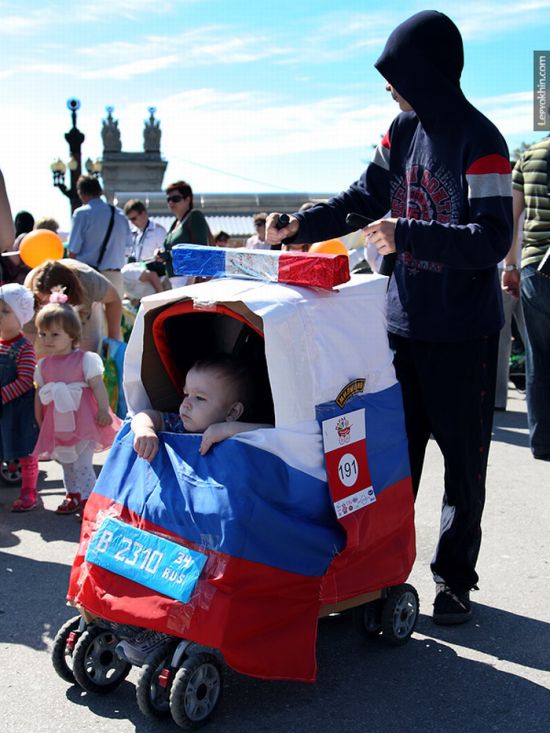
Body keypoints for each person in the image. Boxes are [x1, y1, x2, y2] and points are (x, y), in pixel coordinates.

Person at [266, 10, 513, 625]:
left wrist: (409, 235)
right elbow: (363, 197)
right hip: (399, 330)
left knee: (463, 464)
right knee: (389, 462)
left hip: (464, 337)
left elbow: (491, 238)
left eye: (396, 72)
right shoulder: (400, 131)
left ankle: (454, 580)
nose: (388, 85)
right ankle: (379, 572)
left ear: (427, 72)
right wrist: (304, 223)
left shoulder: (483, 141)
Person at [32, 294, 122, 514]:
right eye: (43, 334)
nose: (47, 339)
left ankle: (89, 500)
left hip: (84, 421)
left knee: (82, 463)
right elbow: (39, 395)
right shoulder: (43, 365)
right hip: (58, 424)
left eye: (55, 334)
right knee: (66, 462)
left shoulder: (85, 360)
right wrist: (40, 419)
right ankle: (72, 495)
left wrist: (103, 409)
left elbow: (97, 386)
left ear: (72, 335)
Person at [503, 135, 550, 459]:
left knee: (539, 357)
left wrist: (510, 266)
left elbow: (512, 218)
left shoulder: (530, 155)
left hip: (537, 269)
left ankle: (542, 443)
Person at [132, 354, 271, 460]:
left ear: (232, 412)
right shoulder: (179, 425)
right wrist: (145, 429)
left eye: (199, 397)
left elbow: (274, 434)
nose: (185, 404)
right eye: (186, 394)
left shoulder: (239, 433)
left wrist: (229, 429)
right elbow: (146, 415)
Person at [24, 259, 122, 353]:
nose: (46, 307)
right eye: (41, 301)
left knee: (86, 355)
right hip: (37, 308)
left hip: (83, 308)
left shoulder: (89, 282)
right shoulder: (30, 293)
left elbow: (114, 300)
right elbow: (29, 338)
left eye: (49, 301)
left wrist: (113, 341)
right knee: (41, 352)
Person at [0, 284, 39, 512]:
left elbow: (25, 380)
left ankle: (28, 491)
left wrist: (2, 395)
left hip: (18, 410)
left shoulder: (24, 347)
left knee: (25, 451)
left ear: (21, 317)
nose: (0, 316)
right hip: (3, 409)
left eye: (5, 311)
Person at [67, 175, 132, 297]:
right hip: (115, 276)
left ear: (81, 193)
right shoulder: (120, 214)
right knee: (114, 316)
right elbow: (128, 247)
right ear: (99, 191)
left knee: (91, 316)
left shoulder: (82, 214)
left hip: (88, 276)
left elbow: (72, 251)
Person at [162, 180, 211, 287]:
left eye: (175, 199)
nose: (171, 203)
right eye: (168, 199)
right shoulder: (174, 223)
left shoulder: (195, 216)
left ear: (188, 199)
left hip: (189, 280)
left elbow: (201, 250)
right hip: (174, 280)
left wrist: (190, 284)